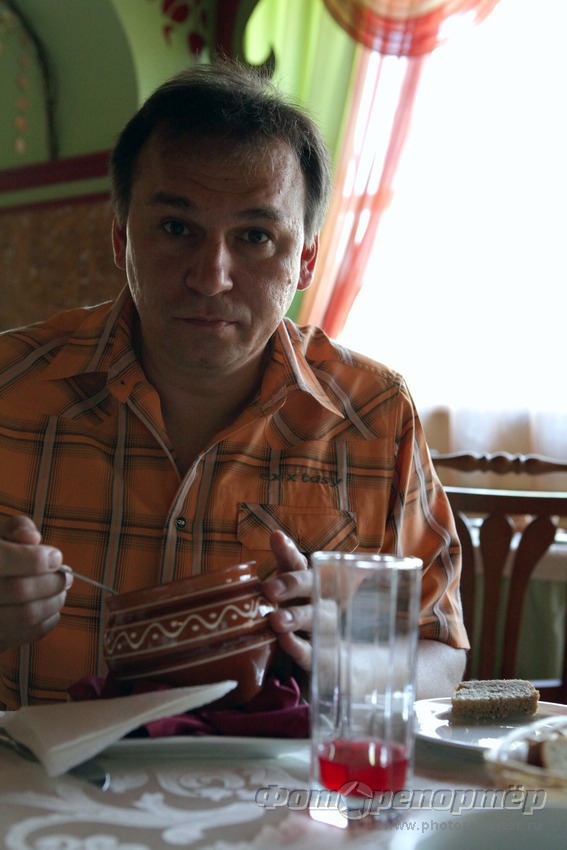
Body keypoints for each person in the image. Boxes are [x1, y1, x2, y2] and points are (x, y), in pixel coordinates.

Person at [0, 61, 468, 710]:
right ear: (120, 238)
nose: (211, 276)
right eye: (176, 228)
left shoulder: (375, 414)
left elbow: (440, 651)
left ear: (305, 260)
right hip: (41, 773)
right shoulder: (10, 388)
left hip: (279, 776)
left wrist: (352, 661)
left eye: (254, 237)